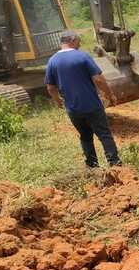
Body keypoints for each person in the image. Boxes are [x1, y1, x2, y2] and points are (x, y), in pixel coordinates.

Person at [45, 30, 121, 168]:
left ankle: (92, 166)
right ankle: (115, 164)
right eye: (79, 41)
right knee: (104, 134)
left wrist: (58, 101)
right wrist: (110, 95)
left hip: (73, 109)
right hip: (92, 105)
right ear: (72, 40)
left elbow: (50, 87)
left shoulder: (52, 61)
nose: (80, 43)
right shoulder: (82, 56)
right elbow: (98, 79)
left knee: (85, 136)